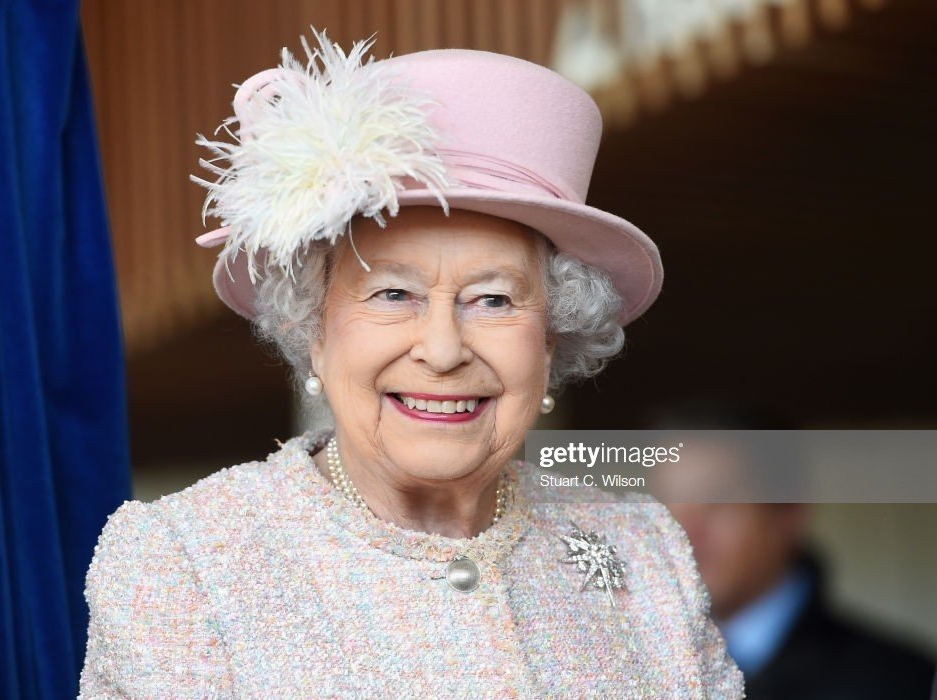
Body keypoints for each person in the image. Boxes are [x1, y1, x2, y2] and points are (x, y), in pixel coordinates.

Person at [77, 30, 744, 698]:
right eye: (394, 293)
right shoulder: (184, 561)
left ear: (551, 339)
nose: (445, 349)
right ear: (314, 328)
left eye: (493, 298)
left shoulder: (642, 551)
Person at [653, 399, 935, 699]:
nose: (685, 533)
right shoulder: (626, 674)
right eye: (669, 508)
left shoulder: (901, 683)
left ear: (790, 514)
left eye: (717, 503)